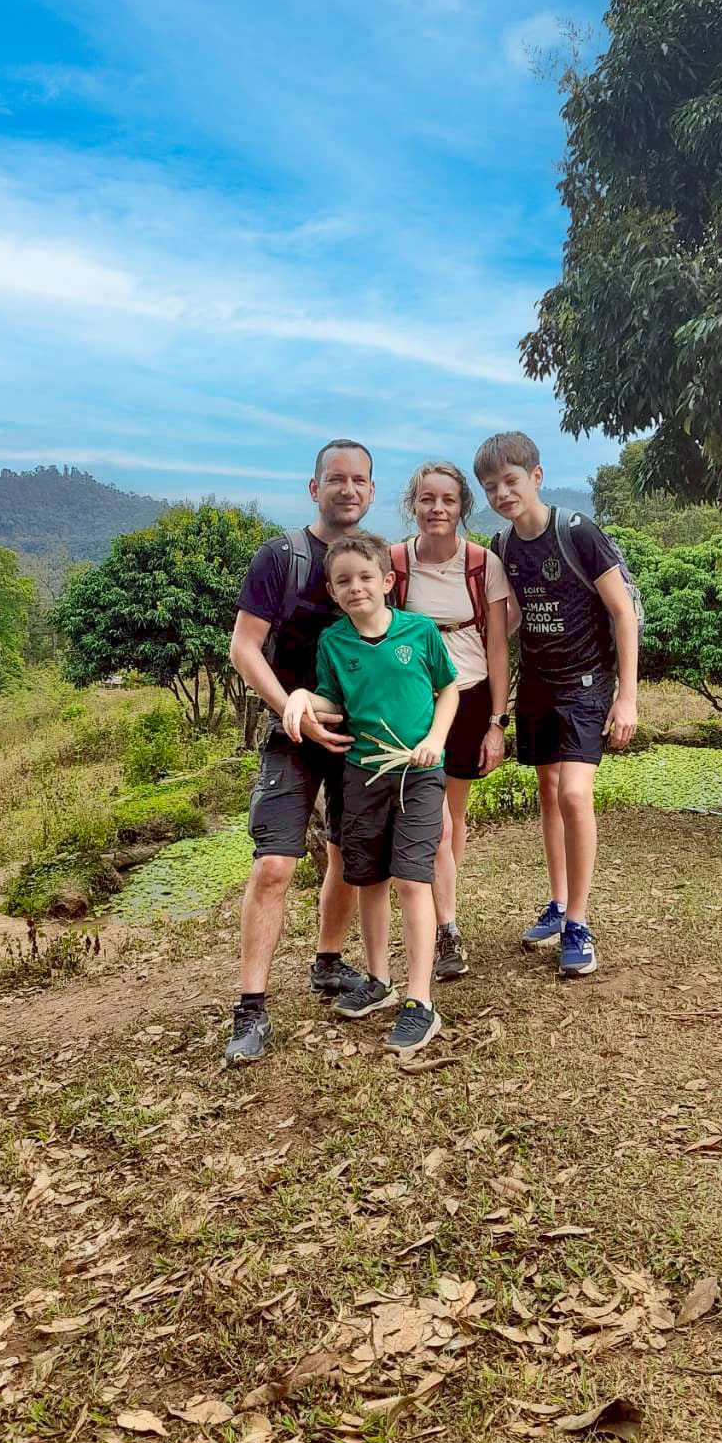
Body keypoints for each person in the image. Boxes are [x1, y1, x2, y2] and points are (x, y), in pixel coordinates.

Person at [223, 440, 375, 1065]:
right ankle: (250, 1007)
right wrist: (292, 707)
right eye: (335, 479)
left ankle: (328, 964)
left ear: (370, 490)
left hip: (357, 737)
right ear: (314, 488)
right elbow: (244, 647)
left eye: (359, 480)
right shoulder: (280, 557)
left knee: (345, 854)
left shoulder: (376, 560)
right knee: (275, 865)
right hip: (292, 736)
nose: (347, 489)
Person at [282, 532, 459, 1055]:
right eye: (343, 581)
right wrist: (299, 698)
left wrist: (435, 740)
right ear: (333, 593)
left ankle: (420, 1001)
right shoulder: (334, 642)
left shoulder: (420, 632)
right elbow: (332, 700)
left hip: (418, 774)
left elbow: (448, 688)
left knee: (411, 878)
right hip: (363, 775)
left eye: (365, 577)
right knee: (369, 878)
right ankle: (379, 982)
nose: (355, 587)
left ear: (387, 581)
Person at [472, 431, 639, 977]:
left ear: (536, 477)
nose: (502, 493)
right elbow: (514, 617)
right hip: (539, 684)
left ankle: (580, 924)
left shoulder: (576, 532)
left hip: (587, 683)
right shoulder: (504, 548)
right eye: (491, 486)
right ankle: (559, 901)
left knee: (573, 792)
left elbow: (621, 612)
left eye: (511, 481)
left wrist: (628, 695)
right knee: (547, 790)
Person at [390, 461, 512, 980]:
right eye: (426, 499)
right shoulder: (394, 562)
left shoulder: (483, 563)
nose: (437, 509)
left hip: (468, 695)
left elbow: (499, 646)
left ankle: (444, 920)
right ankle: (444, 927)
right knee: (435, 824)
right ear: (412, 504)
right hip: (411, 702)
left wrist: (497, 721)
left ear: (463, 507)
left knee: (451, 820)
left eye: (448, 500)